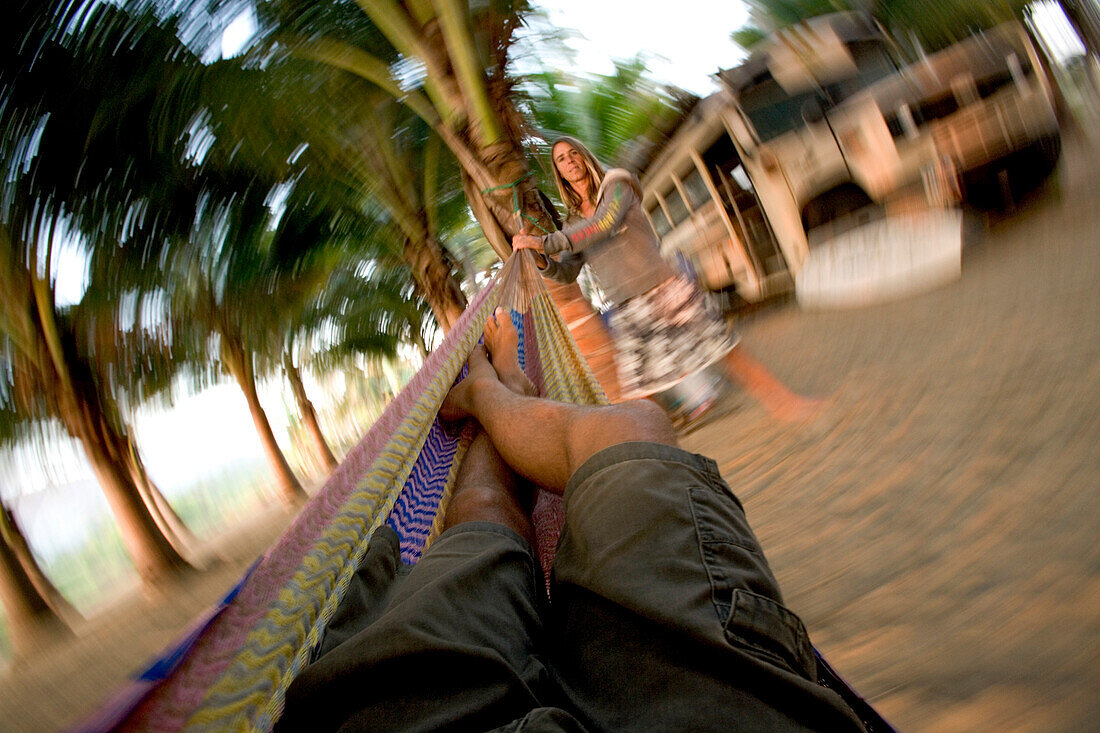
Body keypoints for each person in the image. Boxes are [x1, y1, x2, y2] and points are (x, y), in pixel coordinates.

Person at [276, 309, 874, 732]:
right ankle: (504, 386)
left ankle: (493, 390)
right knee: (632, 424)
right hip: (721, 703)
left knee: (484, 522)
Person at [512, 136, 821, 422]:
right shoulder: (572, 223)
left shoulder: (617, 186)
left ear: (586, 157)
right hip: (629, 309)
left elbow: (604, 224)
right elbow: (566, 271)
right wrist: (537, 257)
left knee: (724, 351)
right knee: (640, 390)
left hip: (666, 290)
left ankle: (787, 404)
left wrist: (545, 243)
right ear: (560, 173)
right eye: (562, 160)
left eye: (573, 153)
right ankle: (662, 454)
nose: (569, 161)